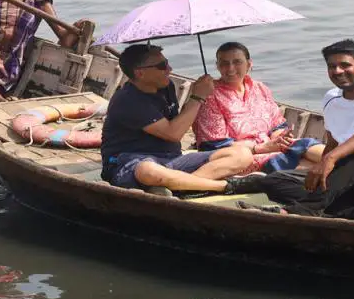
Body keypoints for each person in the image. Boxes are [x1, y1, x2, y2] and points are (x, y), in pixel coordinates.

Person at [249, 39, 354, 222]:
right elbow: (332, 143)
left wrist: (330, 159)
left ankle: (305, 210)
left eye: (345, 65)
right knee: (274, 181)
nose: (338, 71)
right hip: (350, 182)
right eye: (332, 66)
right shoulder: (331, 98)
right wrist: (321, 170)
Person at [100, 44, 265, 196]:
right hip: (130, 162)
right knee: (148, 170)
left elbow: (180, 120)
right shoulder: (129, 100)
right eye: (161, 66)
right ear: (139, 73)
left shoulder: (167, 86)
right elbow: (173, 134)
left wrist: (195, 96)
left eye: (167, 63)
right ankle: (223, 186)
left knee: (242, 155)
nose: (169, 69)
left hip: (171, 158)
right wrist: (198, 97)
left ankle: (183, 185)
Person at [193, 42, 326, 174]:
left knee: (308, 146)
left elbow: (277, 126)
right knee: (309, 167)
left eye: (237, 62)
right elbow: (214, 145)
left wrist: (280, 139)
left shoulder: (259, 88)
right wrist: (261, 148)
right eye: (224, 63)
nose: (231, 68)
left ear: (249, 64)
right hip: (241, 156)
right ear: (217, 66)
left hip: (271, 144)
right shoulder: (210, 95)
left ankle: (341, 161)